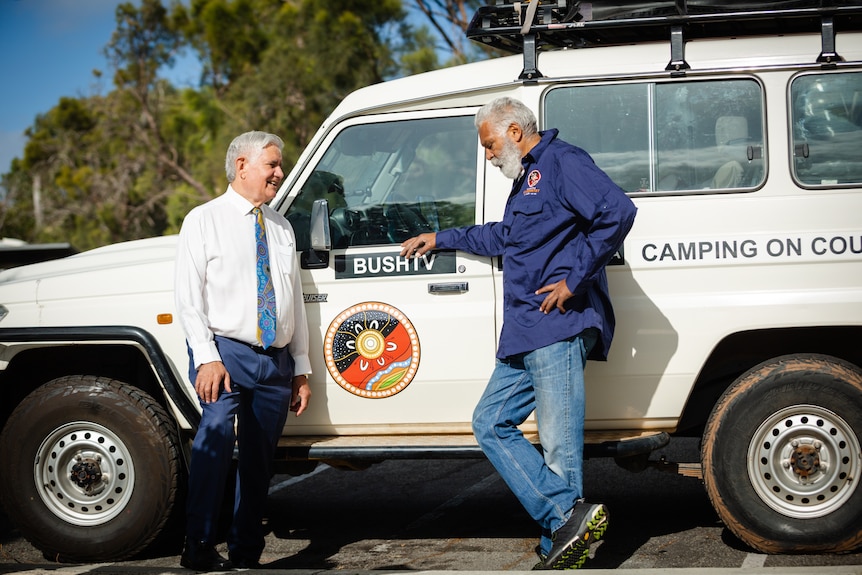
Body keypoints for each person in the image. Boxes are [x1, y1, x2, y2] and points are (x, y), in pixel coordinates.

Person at [400, 97, 636, 570]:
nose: (487, 155)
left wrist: (574, 280)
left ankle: (563, 544)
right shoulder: (528, 177)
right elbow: (506, 238)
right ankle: (568, 516)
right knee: (490, 422)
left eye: (488, 144)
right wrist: (442, 238)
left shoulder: (563, 161)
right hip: (525, 330)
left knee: (558, 446)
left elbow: (618, 210)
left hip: (556, 327)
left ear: (513, 131)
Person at [174, 130, 312, 571]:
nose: (279, 172)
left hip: (275, 360)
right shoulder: (203, 219)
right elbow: (187, 297)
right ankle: (197, 546)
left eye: (279, 164)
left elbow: (294, 300)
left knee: (258, 464)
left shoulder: (282, 226)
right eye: (272, 164)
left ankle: (245, 553)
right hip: (224, 353)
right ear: (242, 166)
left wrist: (301, 368)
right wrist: (206, 356)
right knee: (214, 439)